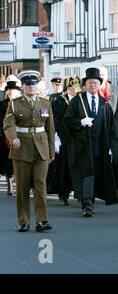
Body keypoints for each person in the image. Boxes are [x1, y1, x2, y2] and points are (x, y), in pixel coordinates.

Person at [64, 67, 118, 217]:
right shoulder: (77, 102)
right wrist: (80, 122)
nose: (93, 86)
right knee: (87, 173)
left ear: (99, 85)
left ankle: (93, 198)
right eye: (90, 83)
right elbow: (67, 121)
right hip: (83, 145)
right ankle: (87, 204)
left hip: (100, 146)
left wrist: (113, 146)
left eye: (95, 83)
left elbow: (112, 127)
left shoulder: (105, 104)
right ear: (85, 85)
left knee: (97, 173)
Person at [3, 70, 55, 232]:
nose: (31, 87)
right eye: (27, 85)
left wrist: (51, 152)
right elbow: (8, 124)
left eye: (33, 84)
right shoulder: (14, 104)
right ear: (22, 87)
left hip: (41, 148)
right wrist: (13, 138)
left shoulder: (45, 103)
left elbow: (50, 129)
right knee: (23, 187)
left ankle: (42, 220)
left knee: (40, 186)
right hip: (22, 148)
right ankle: (23, 220)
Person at [47, 76, 76, 205]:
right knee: (63, 166)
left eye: (75, 87)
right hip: (63, 137)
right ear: (67, 89)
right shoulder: (60, 101)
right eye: (71, 87)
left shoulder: (80, 101)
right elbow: (55, 119)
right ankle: (63, 193)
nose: (73, 90)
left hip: (77, 138)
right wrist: (56, 135)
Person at [0, 78, 22, 196]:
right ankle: (10, 184)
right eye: (8, 90)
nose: (10, 92)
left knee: (20, 161)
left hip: (20, 134)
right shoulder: (2, 104)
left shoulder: (21, 103)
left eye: (13, 90)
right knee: (7, 160)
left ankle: (19, 183)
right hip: (5, 136)